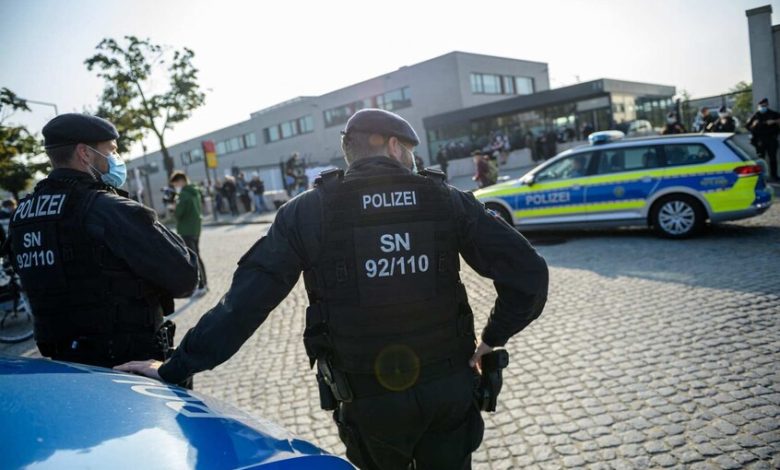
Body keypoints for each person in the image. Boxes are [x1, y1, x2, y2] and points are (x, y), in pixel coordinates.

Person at [116, 108, 549, 470]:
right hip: (449, 390)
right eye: (410, 151)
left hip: (368, 401)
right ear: (394, 147)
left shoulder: (309, 211)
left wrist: (175, 367)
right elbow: (528, 274)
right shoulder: (447, 199)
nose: (414, 160)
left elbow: (243, 304)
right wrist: (492, 338)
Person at [7, 113, 198, 373]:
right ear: (85, 153)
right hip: (127, 367)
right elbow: (185, 276)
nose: (116, 158)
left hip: (63, 367)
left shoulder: (22, 215)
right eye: (111, 150)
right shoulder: (109, 209)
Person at [170, 171, 208, 296]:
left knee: (193, 258)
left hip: (186, 229)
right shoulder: (195, 191)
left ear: (181, 181)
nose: (176, 186)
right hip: (196, 228)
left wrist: (174, 207)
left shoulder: (184, 195)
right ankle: (204, 283)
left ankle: (201, 285)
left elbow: (179, 214)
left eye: (175, 183)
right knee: (197, 256)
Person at [747, 97, 780, 181]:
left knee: (773, 158)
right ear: (759, 106)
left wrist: (774, 121)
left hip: (771, 139)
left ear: (767, 105)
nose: (763, 107)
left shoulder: (773, 114)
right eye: (761, 106)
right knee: (761, 159)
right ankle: (761, 177)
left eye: (764, 105)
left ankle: (774, 176)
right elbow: (747, 126)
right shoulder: (756, 115)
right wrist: (754, 125)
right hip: (760, 140)